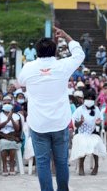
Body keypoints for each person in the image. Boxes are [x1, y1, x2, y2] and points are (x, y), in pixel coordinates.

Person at [18, 27, 84, 191]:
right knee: (61, 161)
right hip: (59, 123)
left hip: (38, 124)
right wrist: (67, 36)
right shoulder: (63, 65)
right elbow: (79, 54)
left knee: (42, 163)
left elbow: (21, 82)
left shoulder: (28, 67)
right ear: (55, 51)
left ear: (36, 52)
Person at [70, 92, 106, 175]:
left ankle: (96, 166)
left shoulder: (96, 109)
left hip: (92, 134)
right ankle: (81, 166)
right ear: (83, 100)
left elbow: (99, 122)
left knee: (96, 143)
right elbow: (75, 125)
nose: (89, 100)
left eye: (91, 99)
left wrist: (97, 123)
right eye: (87, 99)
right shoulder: (79, 110)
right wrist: (81, 122)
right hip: (81, 134)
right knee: (83, 144)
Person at [0, 103, 22, 176]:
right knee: (3, 143)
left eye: (9, 103)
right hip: (1, 135)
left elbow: (17, 129)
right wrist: (6, 121)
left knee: (13, 143)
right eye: (5, 103)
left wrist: (11, 118)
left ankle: (12, 165)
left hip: (13, 135)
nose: (7, 104)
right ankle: (4, 166)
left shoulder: (16, 115)